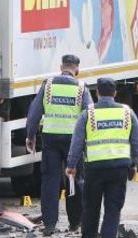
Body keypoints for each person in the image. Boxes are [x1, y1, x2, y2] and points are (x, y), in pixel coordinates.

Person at [65, 77, 138, 238]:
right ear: (115, 93)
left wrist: (71, 165)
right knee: (113, 209)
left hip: (95, 169)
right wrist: (133, 164)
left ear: (97, 92)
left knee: (91, 208)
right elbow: (137, 143)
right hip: (119, 169)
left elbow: (77, 143)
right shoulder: (127, 113)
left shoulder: (88, 114)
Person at [25, 54, 93, 235]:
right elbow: (90, 115)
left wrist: (30, 136)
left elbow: (34, 114)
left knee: (50, 181)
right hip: (74, 143)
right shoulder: (82, 88)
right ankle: (74, 223)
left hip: (51, 139)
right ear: (77, 69)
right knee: (74, 181)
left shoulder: (48, 86)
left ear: (61, 66)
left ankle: (49, 225)